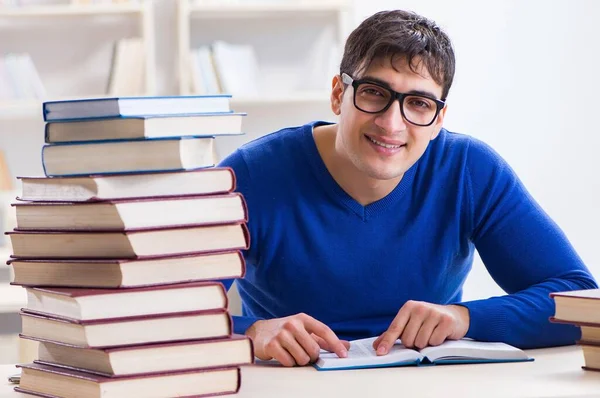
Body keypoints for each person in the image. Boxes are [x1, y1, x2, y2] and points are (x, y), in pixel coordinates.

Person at [218, 9, 598, 367]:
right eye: (373, 92)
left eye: (418, 103)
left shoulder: (469, 169)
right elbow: (161, 313)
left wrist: (463, 319)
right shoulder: (248, 176)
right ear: (338, 94)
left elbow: (579, 298)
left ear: (438, 120)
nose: (392, 123)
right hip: (292, 383)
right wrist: (247, 333)